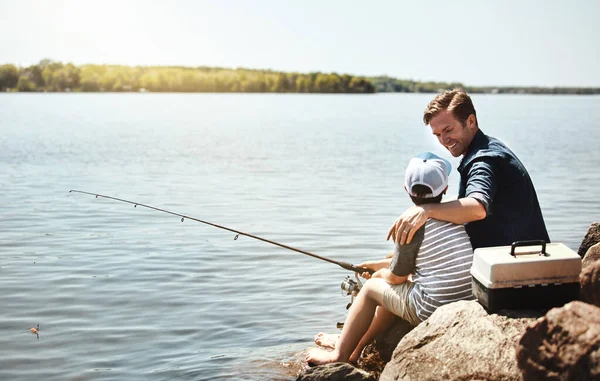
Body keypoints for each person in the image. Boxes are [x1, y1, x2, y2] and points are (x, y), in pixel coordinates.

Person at [306, 152, 474, 365]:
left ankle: (338, 356)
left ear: (406, 189)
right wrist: (379, 265)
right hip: (464, 298)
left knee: (371, 289)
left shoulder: (410, 225)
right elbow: (424, 262)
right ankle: (354, 349)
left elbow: (396, 279)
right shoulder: (455, 214)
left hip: (433, 306)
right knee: (388, 295)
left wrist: (379, 274)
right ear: (446, 189)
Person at [388, 89, 550, 250]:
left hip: (516, 265)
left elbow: (477, 208)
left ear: (471, 121)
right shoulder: (487, 146)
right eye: (437, 135)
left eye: (448, 130)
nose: (444, 140)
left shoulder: (483, 160)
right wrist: (422, 208)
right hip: (517, 256)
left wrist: (426, 209)